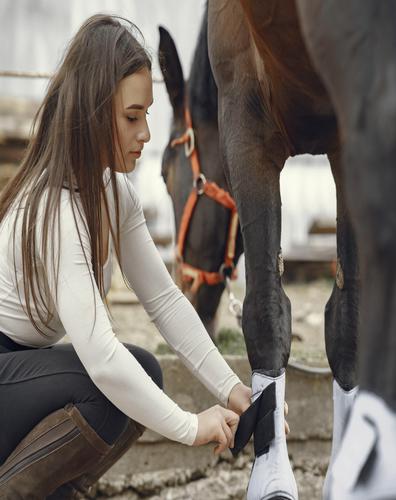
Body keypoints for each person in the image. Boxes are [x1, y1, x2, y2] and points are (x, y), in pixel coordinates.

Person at [0, 14, 252, 499]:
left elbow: (165, 302)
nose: (147, 134)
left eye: (147, 115)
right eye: (132, 116)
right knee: (110, 385)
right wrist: (189, 426)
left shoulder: (112, 194)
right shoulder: (57, 206)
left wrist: (231, 389)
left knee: (144, 374)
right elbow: (101, 360)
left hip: (22, 376)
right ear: (94, 112)